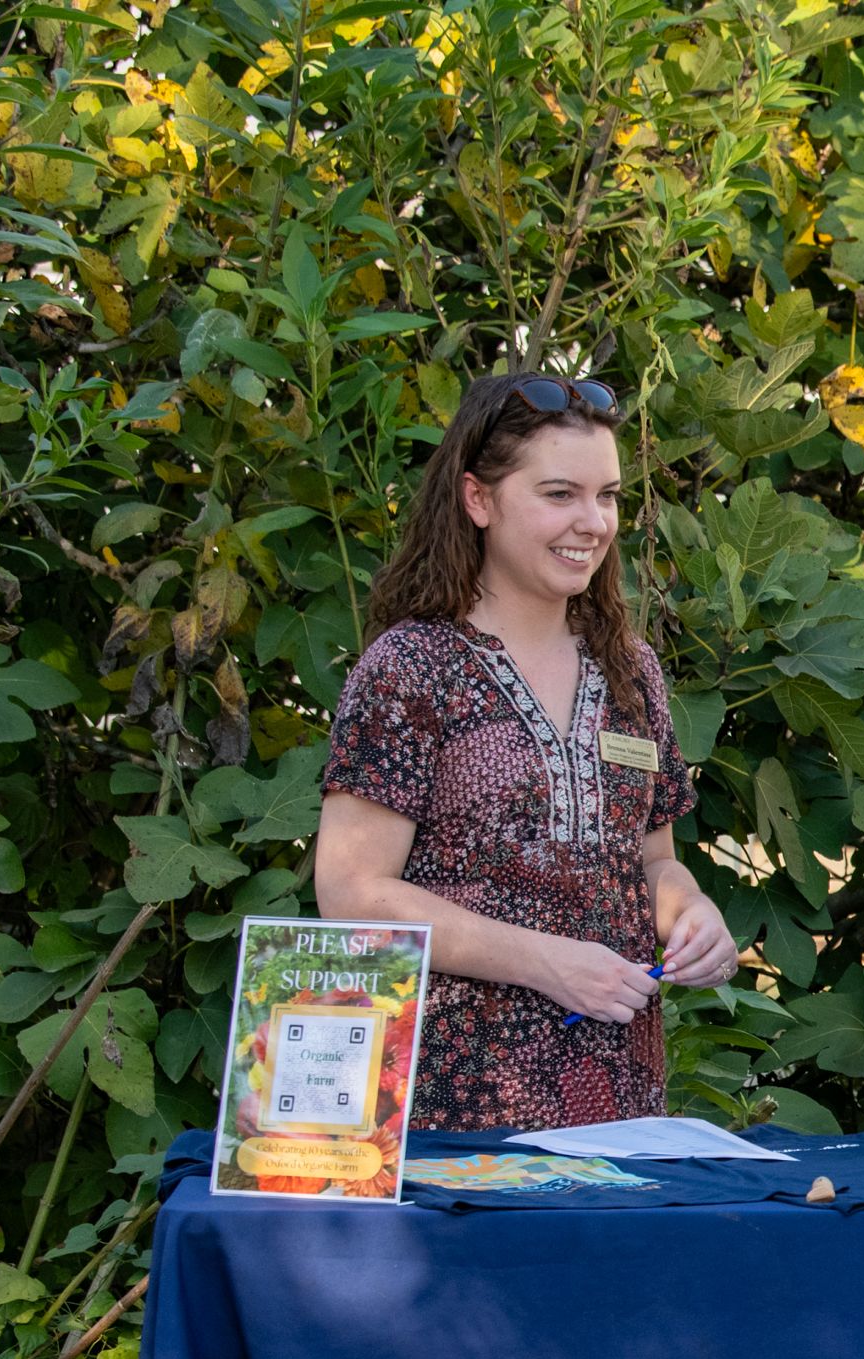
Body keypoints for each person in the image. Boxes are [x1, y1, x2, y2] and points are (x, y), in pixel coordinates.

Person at [316, 374, 737, 1130]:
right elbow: (350, 894)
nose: (593, 522)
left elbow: (650, 862)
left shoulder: (629, 669)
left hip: (619, 1110)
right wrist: (547, 961)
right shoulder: (412, 667)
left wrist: (691, 911)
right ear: (479, 500)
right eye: (559, 494)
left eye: (607, 496)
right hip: (450, 1108)